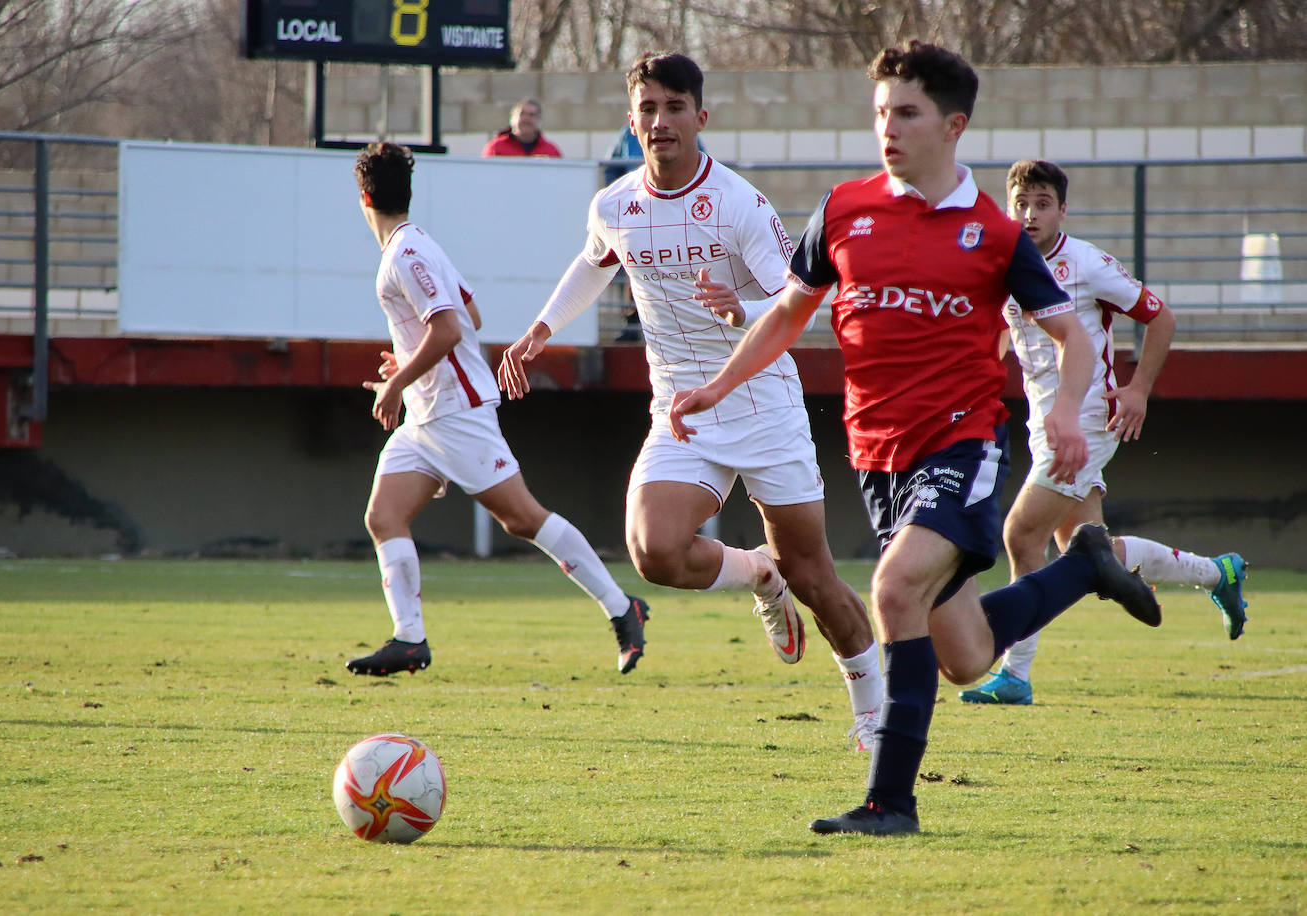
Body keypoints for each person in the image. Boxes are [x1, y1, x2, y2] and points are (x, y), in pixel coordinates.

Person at [668, 41, 1163, 836]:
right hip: (878, 458)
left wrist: (1070, 412)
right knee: (964, 654)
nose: (887, 130)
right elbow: (789, 312)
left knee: (895, 589)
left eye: (907, 113)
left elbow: (1073, 338)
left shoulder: (994, 234)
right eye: (879, 114)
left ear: (953, 125)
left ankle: (889, 801)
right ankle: (1085, 568)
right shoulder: (842, 209)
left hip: (962, 447)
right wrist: (719, 385)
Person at [497, 51, 886, 752]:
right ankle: (754, 573)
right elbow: (592, 263)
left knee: (814, 574)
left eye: (674, 107)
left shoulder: (738, 203)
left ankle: (873, 710)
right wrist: (541, 329)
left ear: (700, 118)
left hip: (761, 403)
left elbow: (796, 303)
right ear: (631, 121)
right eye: (647, 108)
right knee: (654, 550)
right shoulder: (614, 204)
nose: (660, 121)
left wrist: (739, 311)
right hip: (681, 409)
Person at [346, 141, 649, 677]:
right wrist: (409, 368)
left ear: (363, 196)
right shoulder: (418, 245)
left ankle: (624, 609)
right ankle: (410, 640)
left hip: (456, 412)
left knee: (522, 518)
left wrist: (398, 384)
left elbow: (451, 328)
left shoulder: (404, 255)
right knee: (383, 515)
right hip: (427, 415)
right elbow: (473, 314)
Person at [958, 159, 1249, 706]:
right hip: (1042, 424)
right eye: (1020, 203)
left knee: (1021, 535)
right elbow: (999, 337)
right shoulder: (1006, 264)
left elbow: (1160, 317)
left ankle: (1016, 673)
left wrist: (1138, 389)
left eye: (1042, 204)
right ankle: (1218, 573)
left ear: (1062, 209)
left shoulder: (1087, 262)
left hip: (1088, 421)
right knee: (1086, 556)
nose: (1029, 214)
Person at [480, 99, 562, 158]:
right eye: (521, 114)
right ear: (512, 119)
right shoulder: (496, 148)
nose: (526, 119)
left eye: (532, 115)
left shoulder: (551, 151)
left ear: (539, 120)